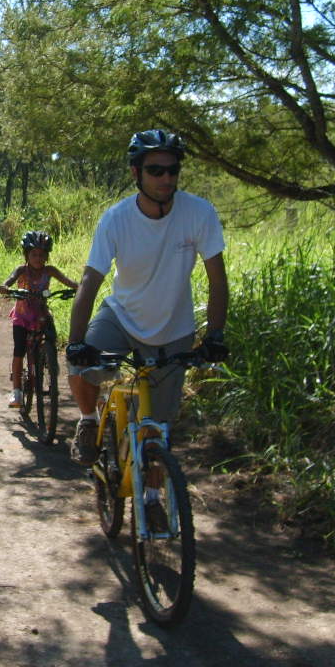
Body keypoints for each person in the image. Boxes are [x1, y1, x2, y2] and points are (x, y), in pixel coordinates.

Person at [65, 129, 229, 471]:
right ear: (136, 173)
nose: (166, 178)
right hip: (121, 317)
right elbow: (90, 280)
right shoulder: (116, 219)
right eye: (156, 170)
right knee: (81, 368)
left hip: (174, 328)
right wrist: (77, 343)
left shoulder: (199, 213)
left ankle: (153, 503)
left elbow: (217, 280)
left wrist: (214, 335)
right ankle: (88, 420)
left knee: (156, 431)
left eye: (172, 170)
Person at [0, 231, 79, 408]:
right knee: (19, 351)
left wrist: (79, 287)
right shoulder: (21, 270)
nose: (38, 258)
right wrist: (5, 287)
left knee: (51, 336)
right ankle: (16, 391)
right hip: (22, 316)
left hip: (41, 314)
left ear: (47, 256)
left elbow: (68, 281)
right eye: (34, 254)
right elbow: (10, 279)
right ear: (27, 255)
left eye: (42, 254)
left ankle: (49, 361)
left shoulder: (50, 271)